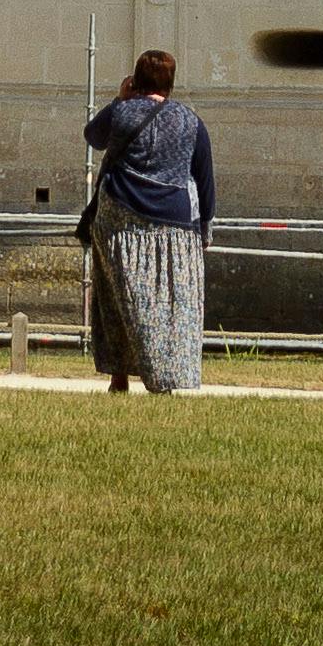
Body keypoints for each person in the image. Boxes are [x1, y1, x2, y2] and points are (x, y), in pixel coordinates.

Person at [80, 46, 215, 397]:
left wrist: (119, 98)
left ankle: (119, 378)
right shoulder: (191, 121)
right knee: (168, 305)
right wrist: (205, 228)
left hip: (120, 219)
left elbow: (93, 136)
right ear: (171, 81)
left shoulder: (122, 113)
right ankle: (165, 379)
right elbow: (204, 178)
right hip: (174, 223)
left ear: (136, 79)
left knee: (116, 300)